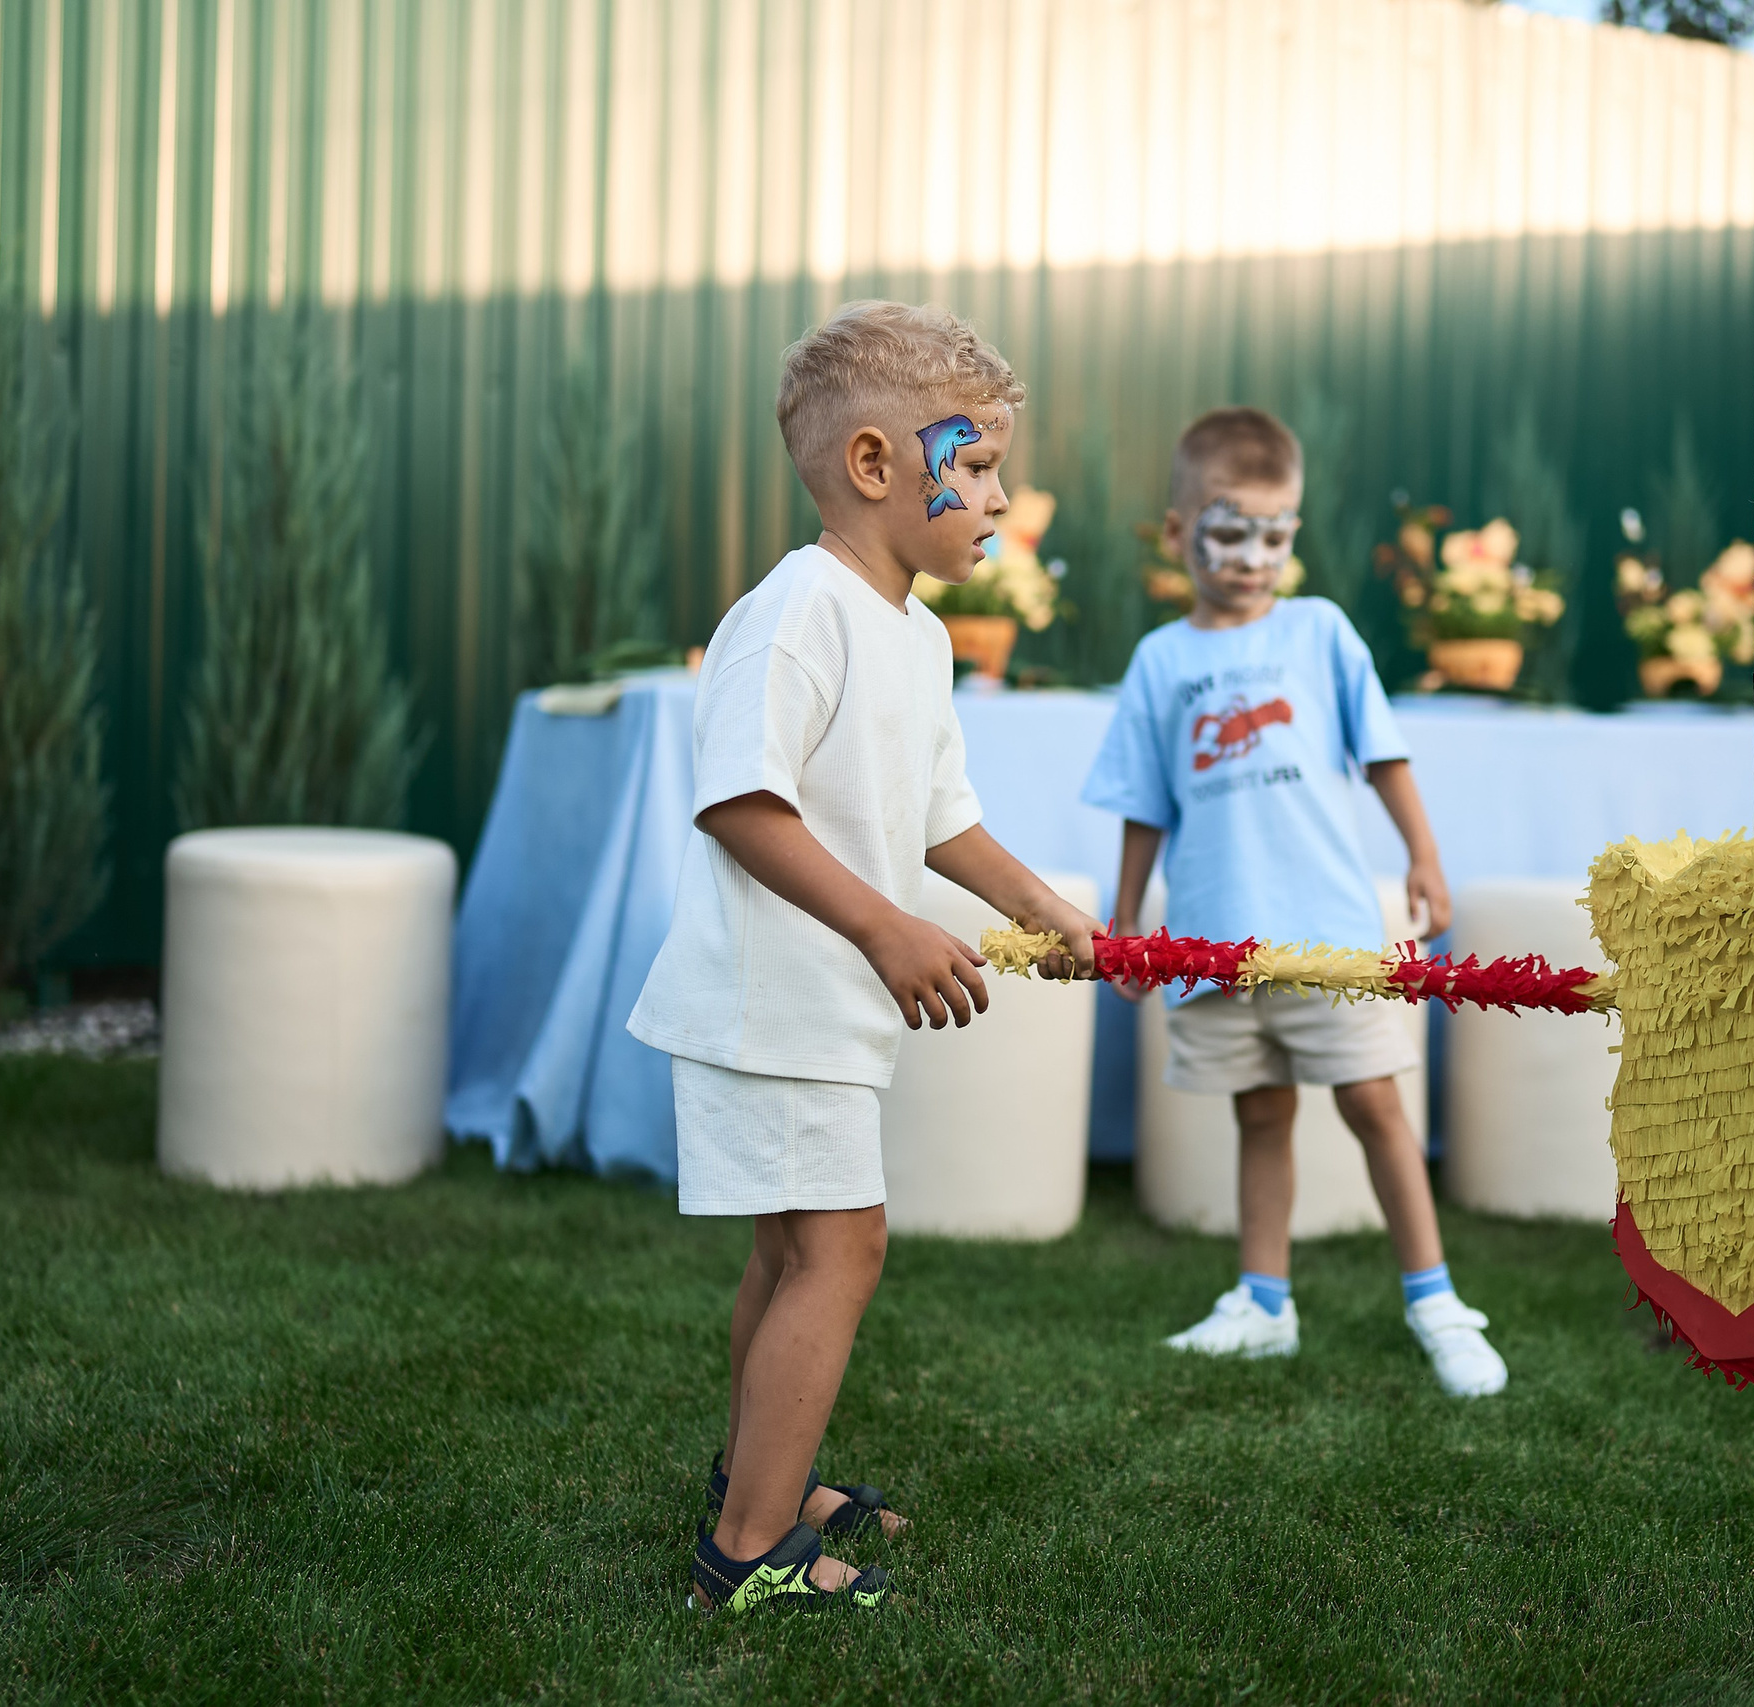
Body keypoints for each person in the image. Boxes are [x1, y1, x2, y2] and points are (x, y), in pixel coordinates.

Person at [628, 300, 1103, 1615]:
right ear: (881, 464)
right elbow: (739, 800)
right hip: (766, 1002)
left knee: (792, 1254)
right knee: (842, 1249)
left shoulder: (917, 633)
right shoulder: (797, 615)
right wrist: (885, 925)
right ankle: (746, 1549)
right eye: (983, 459)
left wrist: (1045, 906)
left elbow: (943, 816)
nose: (1002, 491)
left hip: (816, 1007)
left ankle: (755, 1476)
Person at [1081, 407, 1507, 1398]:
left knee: (1373, 1103)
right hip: (1215, 941)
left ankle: (1436, 1300)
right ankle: (1264, 1304)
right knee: (1261, 1112)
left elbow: (1384, 754)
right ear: (1180, 531)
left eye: (1277, 536)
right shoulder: (1160, 662)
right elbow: (1143, 803)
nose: (1255, 557)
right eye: (1231, 533)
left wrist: (1424, 859)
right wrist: (1129, 918)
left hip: (1327, 932)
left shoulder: (1320, 634)